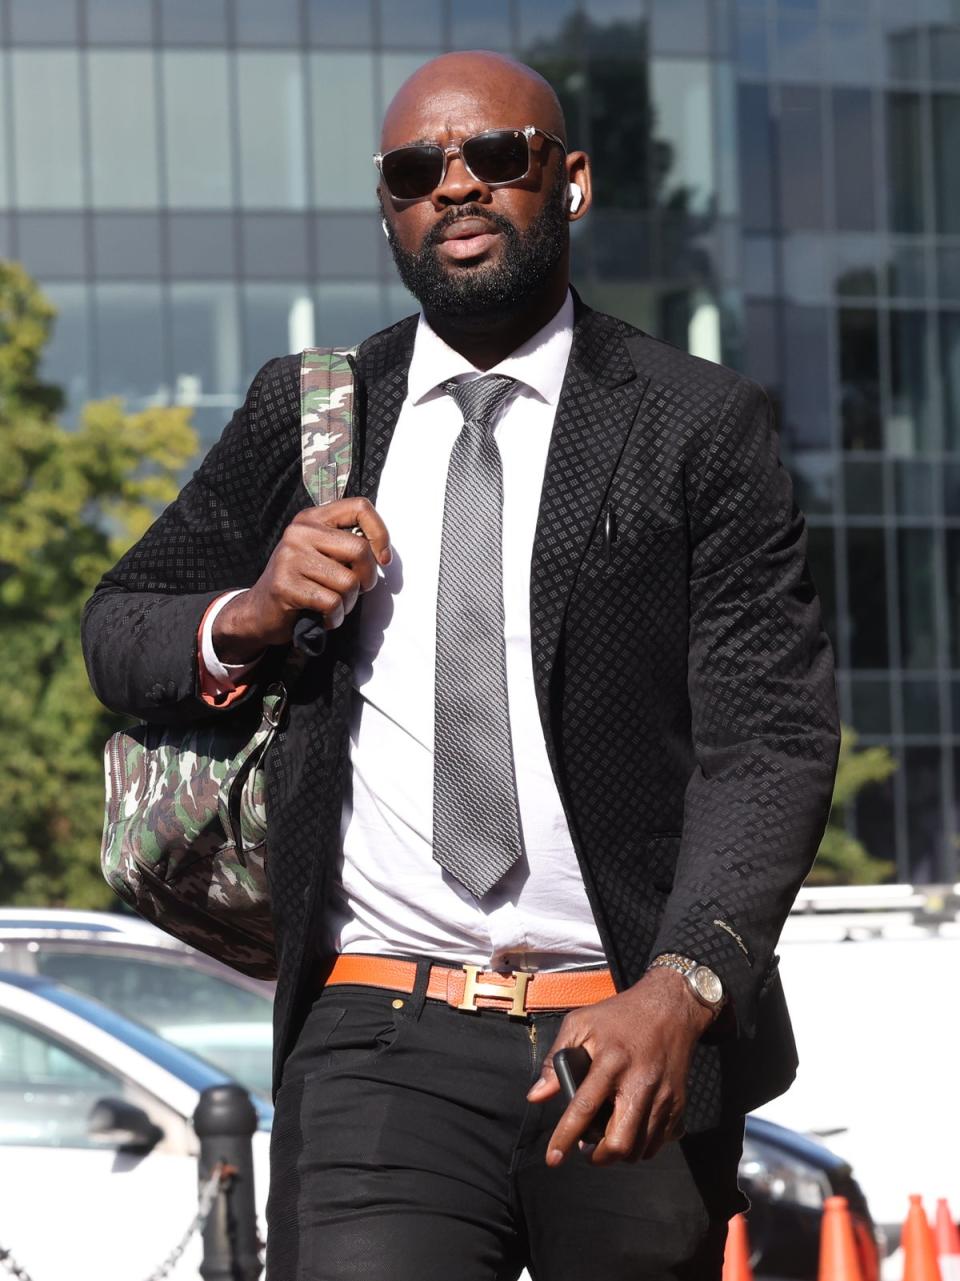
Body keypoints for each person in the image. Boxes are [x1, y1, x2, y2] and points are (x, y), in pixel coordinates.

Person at [83, 51, 839, 1281]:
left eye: (496, 157)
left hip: (623, 1036)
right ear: (388, 207)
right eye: (416, 171)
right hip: (377, 1033)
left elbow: (773, 739)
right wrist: (253, 610)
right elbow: (119, 627)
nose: (457, 187)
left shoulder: (695, 423)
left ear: (572, 182)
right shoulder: (316, 412)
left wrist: (686, 987)